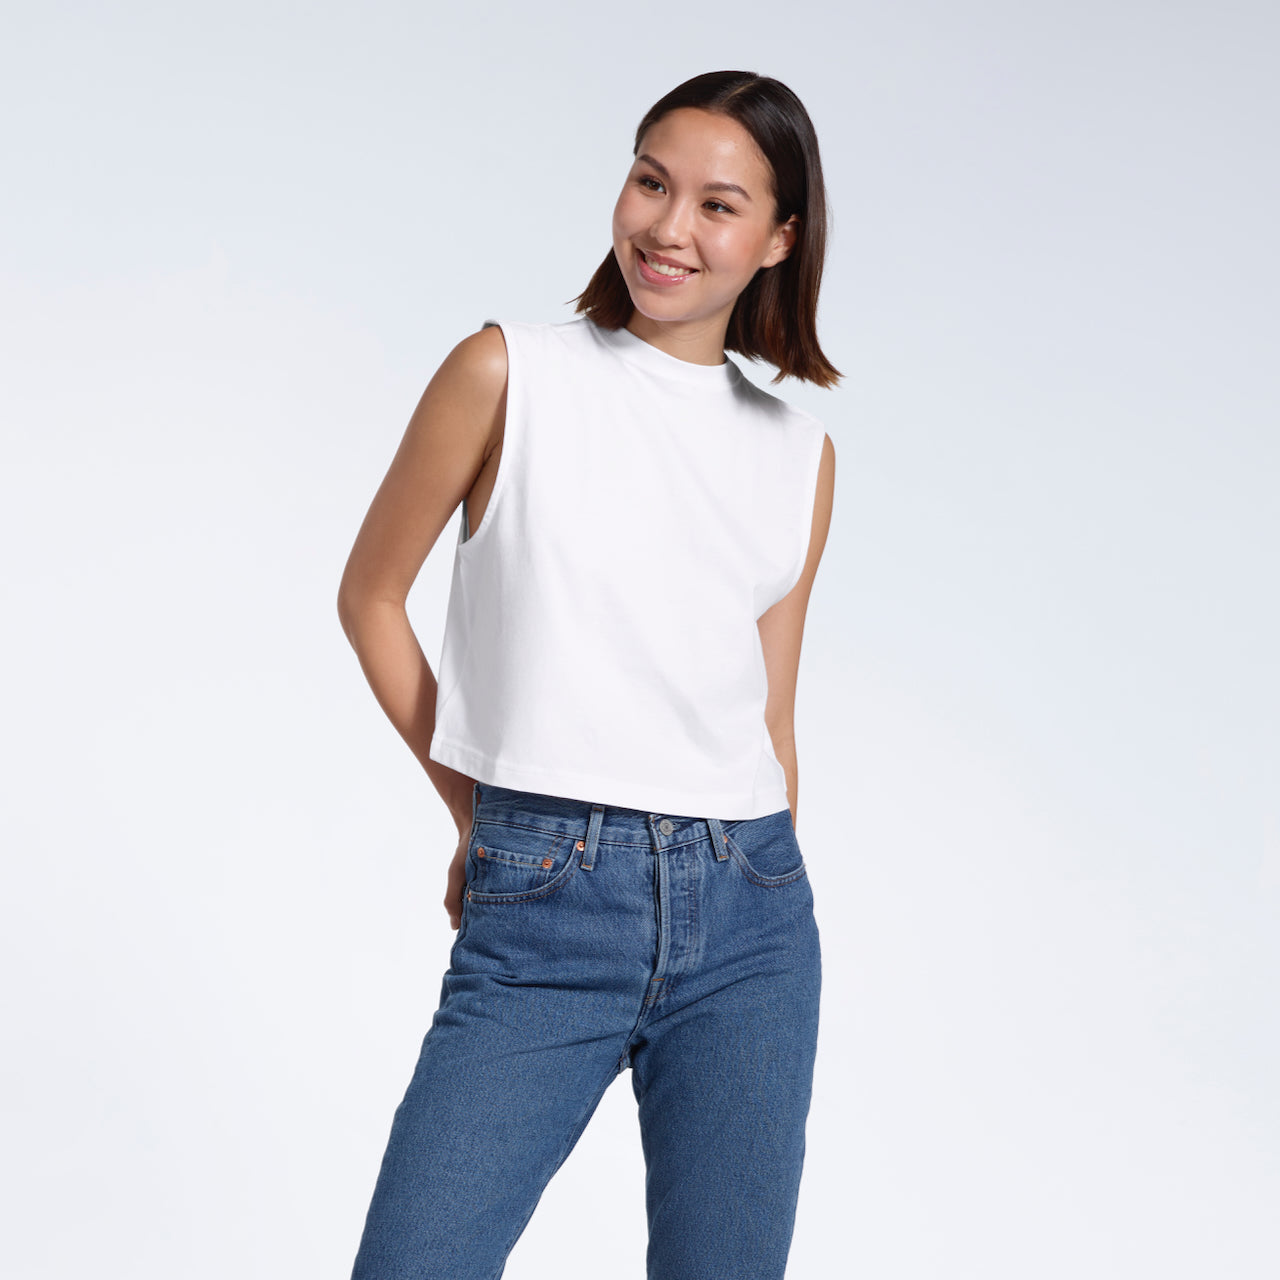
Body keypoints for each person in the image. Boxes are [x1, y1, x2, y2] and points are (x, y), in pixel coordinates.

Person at [336, 68, 840, 1280]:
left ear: (777, 241)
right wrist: (487, 813)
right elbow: (369, 600)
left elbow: (769, 713)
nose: (667, 228)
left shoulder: (798, 449)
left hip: (751, 915)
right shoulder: (506, 371)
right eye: (650, 181)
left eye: (718, 206)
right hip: (545, 901)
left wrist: (763, 866)